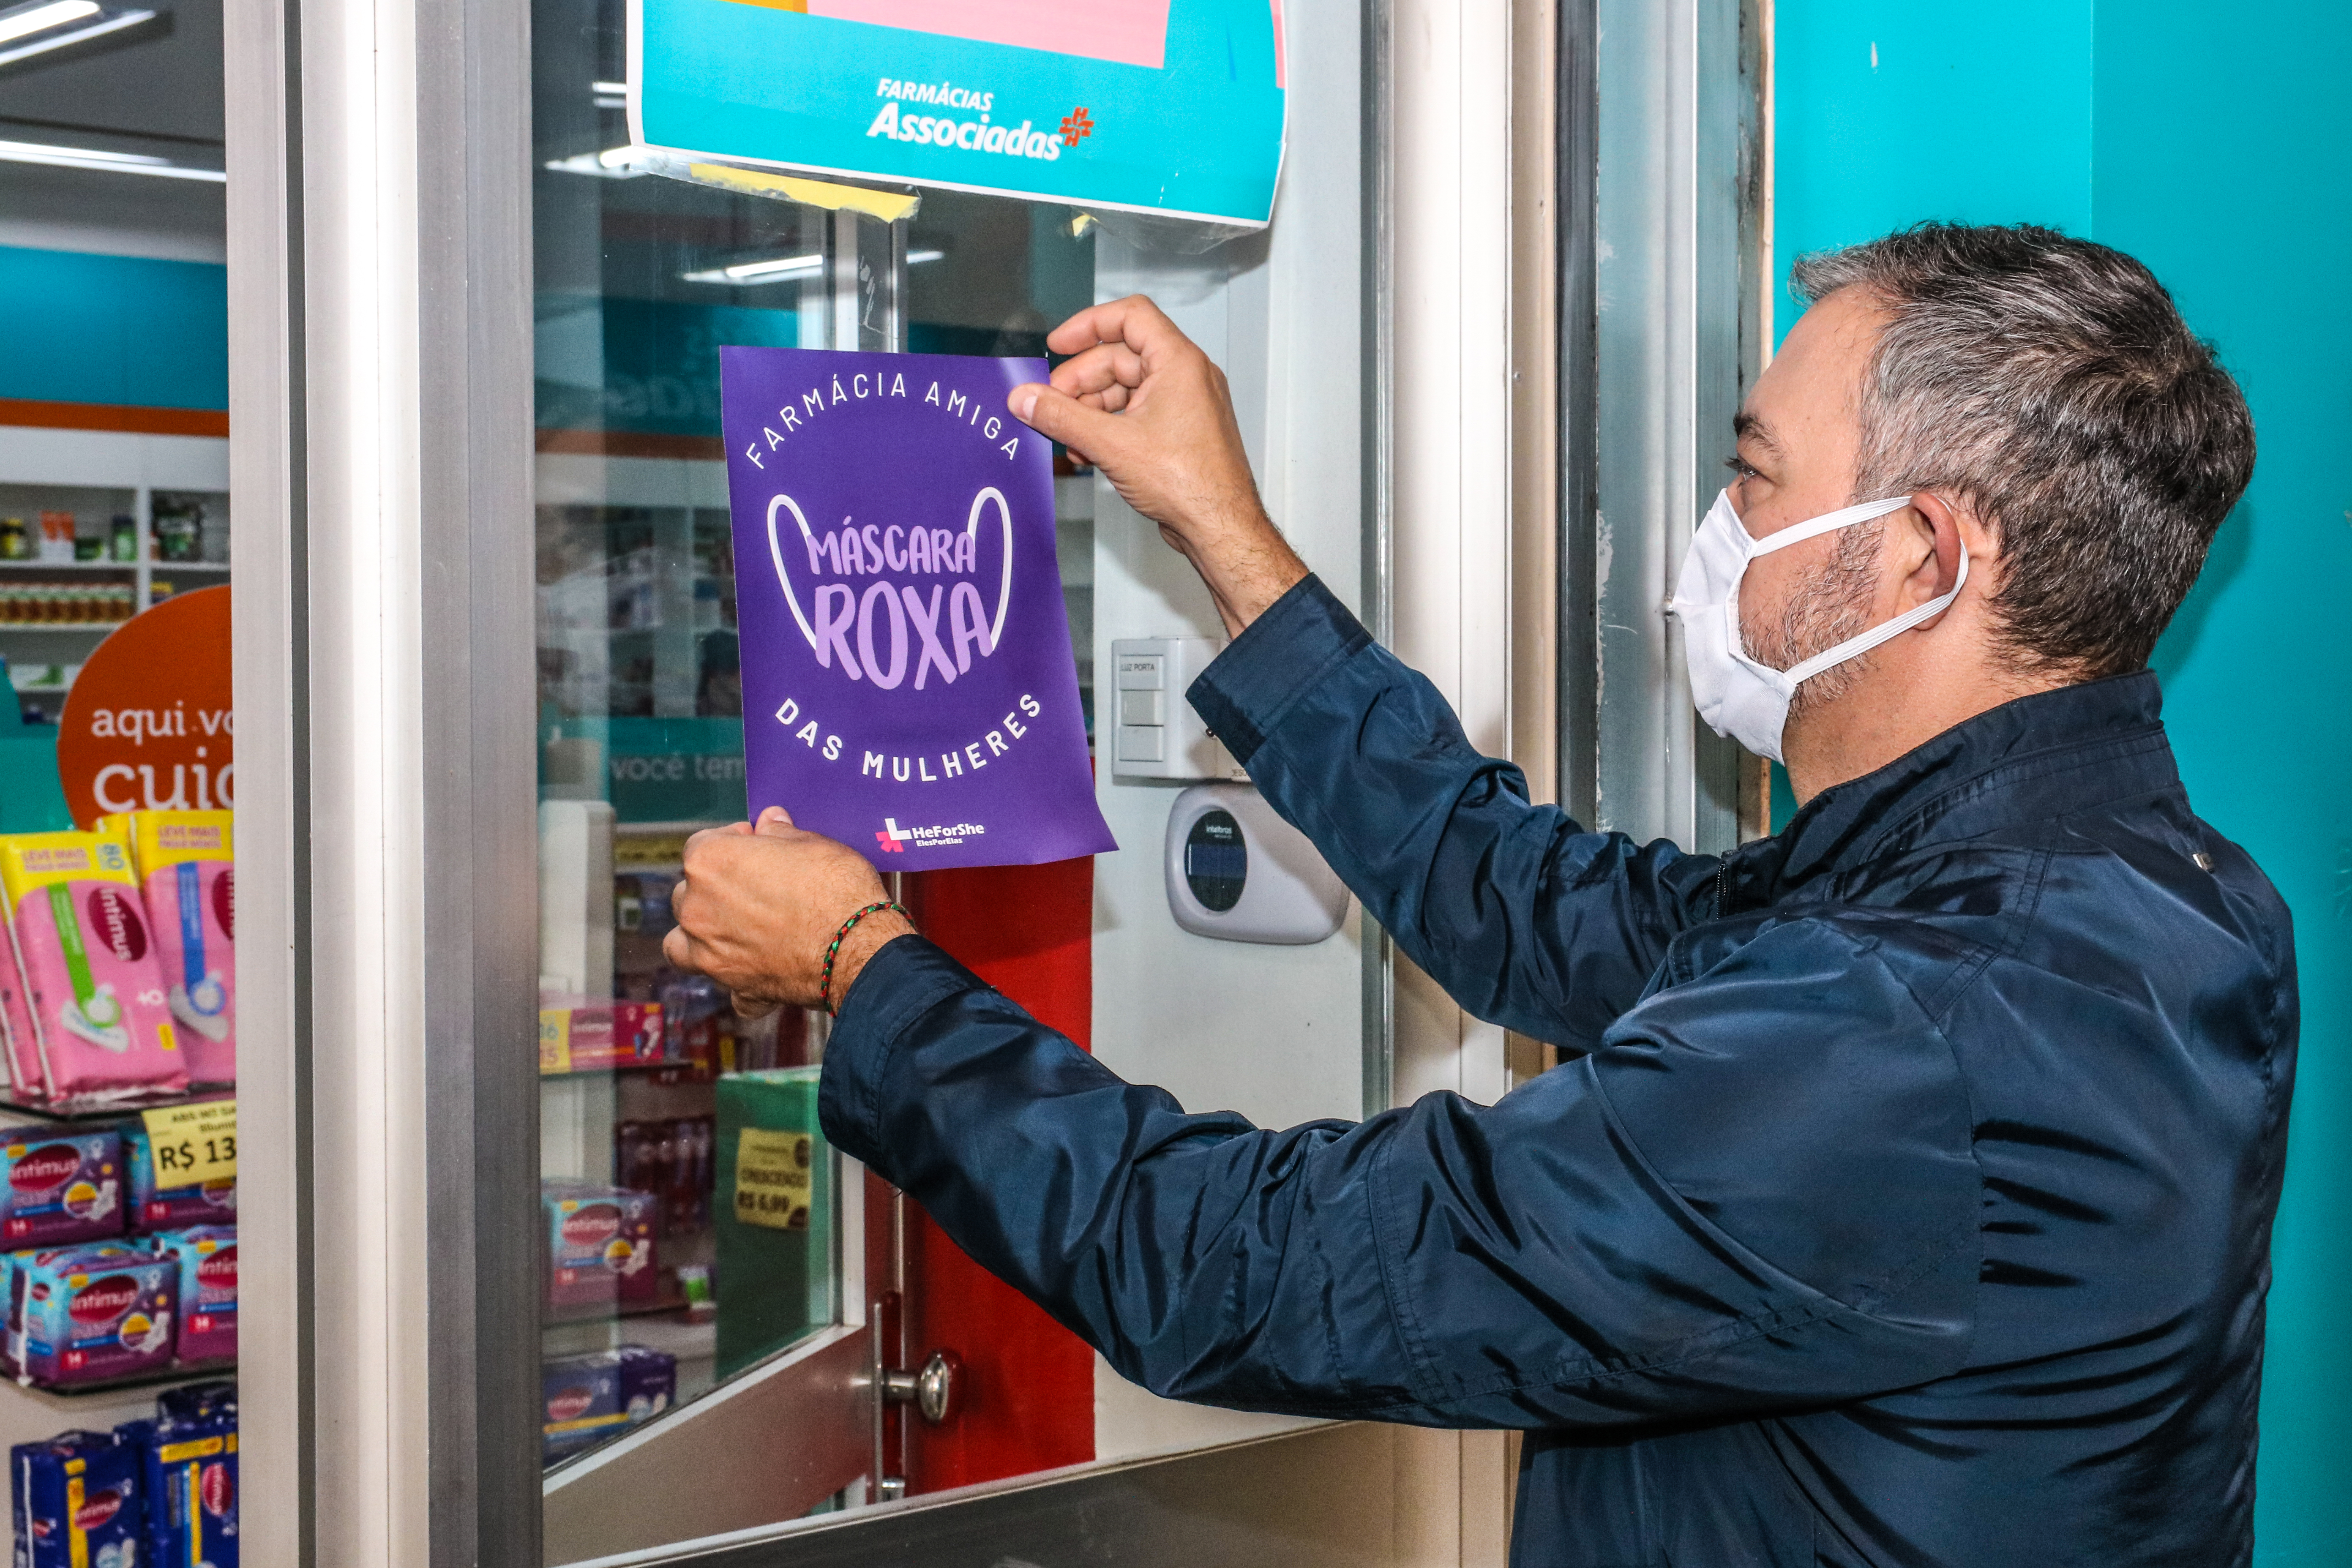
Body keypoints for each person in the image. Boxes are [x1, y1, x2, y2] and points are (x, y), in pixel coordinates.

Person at [663, 224, 2293, 1566]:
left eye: (1761, 477)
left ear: (1928, 559)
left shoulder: (1903, 1036)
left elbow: (1246, 1265)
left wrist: (864, 970)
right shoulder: (2146, 893)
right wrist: (1225, 530)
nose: (1721, 531)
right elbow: (1532, 903)